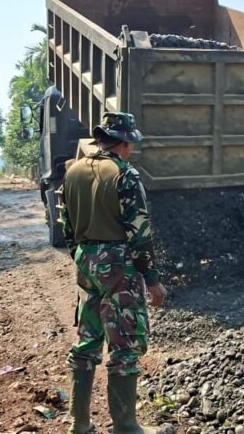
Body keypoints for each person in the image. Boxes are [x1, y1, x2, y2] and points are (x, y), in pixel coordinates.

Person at [60, 112, 168, 434]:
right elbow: (139, 233)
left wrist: (84, 258)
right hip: (119, 264)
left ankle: (79, 425)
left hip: (85, 260)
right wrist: (152, 279)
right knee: (126, 344)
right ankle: (126, 425)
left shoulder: (73, 171)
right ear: (124, 143)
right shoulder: (126, 175)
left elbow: (66, 227)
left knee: (88, 340)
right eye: (130, 145)